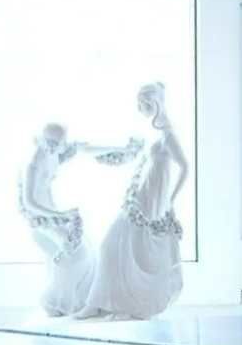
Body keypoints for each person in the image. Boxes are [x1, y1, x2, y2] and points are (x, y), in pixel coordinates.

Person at [77, 82, 187, 320]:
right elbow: (129, 153)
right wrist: (91, 150)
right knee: (114, 246)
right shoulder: (151, 132)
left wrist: (171, 198)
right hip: (140, 196)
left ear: (156, 103)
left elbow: (185, 167)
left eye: (145, 103)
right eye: (140, 104)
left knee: (138, 251)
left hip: (153, 200)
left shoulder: (168, 136)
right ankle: (100, 303)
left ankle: (125, 305)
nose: (141, 108)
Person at [18, 122, 138, 315]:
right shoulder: (33, 164)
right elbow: (29, 202)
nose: (52, 146)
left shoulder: (56, 152)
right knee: (75, 254)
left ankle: (78, 300)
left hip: (55, 214)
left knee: (88, 251)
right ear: (41, 138)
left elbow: (86, 149)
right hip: (41, 219)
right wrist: (60, 215)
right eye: (49, 142)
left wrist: (120, 148)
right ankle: (55, 302)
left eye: (57, 143)